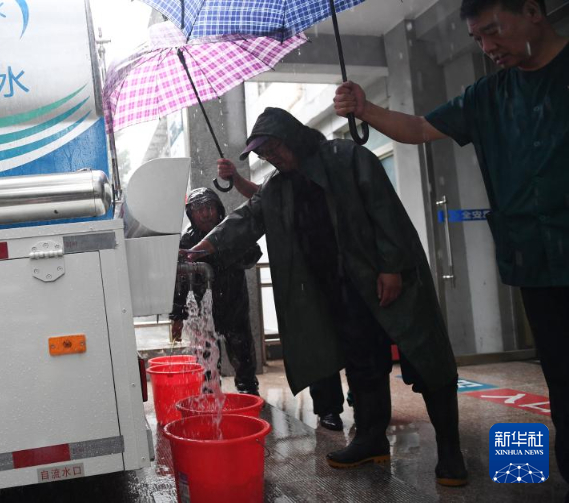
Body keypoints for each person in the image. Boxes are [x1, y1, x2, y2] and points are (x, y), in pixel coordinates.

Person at [333, 0, 568, 486]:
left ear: (533, 10)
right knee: (562, 381)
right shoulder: (489, 95)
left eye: (494, 31)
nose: (487, 47)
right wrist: (365, 109)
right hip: (535, 263)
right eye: (477, 38)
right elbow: (420, 128)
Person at [184, 107, 468, 486]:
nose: (272, 158)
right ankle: (371, 438)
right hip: (342, 291)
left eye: (274, 148)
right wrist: (202, 247)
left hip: (388, 280)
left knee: (427, 361)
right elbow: (247, 218)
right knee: (363, 364)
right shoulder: (279, 185)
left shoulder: (347, 158)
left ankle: (450, 452)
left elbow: (385, 210)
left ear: (293, 136)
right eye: (265, 154)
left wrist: (392, 267)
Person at [218, 161, 346, 431]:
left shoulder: (330, 169)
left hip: (344, 270)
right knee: (317, 340)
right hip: (307, 275)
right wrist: (236, 178)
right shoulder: (280, 181)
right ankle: (329, 407)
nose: (271, 156)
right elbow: (261, 196)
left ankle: (366, 404)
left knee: (355, 341)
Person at [170, 187, 262, 396]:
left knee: (243, 353)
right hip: (203, 312)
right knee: (206, 361)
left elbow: (253, 254)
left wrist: (225, 252)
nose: (205, 214)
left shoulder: (230, 231)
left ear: (218, 209)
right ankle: (210, 395)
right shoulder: (187, 241)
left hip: (235, 305)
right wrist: (177, 316)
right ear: (191, 214)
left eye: (210, 207)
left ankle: (248, 392)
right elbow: (179, 284)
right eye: (199, 209)